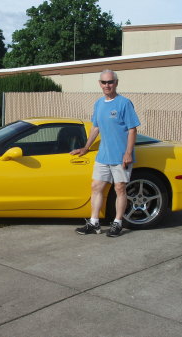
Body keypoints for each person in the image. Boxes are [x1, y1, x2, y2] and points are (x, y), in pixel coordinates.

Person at [70, 69, 140, 237]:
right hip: (103, 155)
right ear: (99, 84)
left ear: (116, 83)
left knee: (120, 188)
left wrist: (128, 153)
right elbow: (96, 127)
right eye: (104, 82)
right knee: (96, 187)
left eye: (110, 82)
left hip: (120, 156)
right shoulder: (99, 104)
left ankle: (118, 223)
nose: (107, 85)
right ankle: (94, 223)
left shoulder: (124, 103)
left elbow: (132, 129)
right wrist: (86, 147)